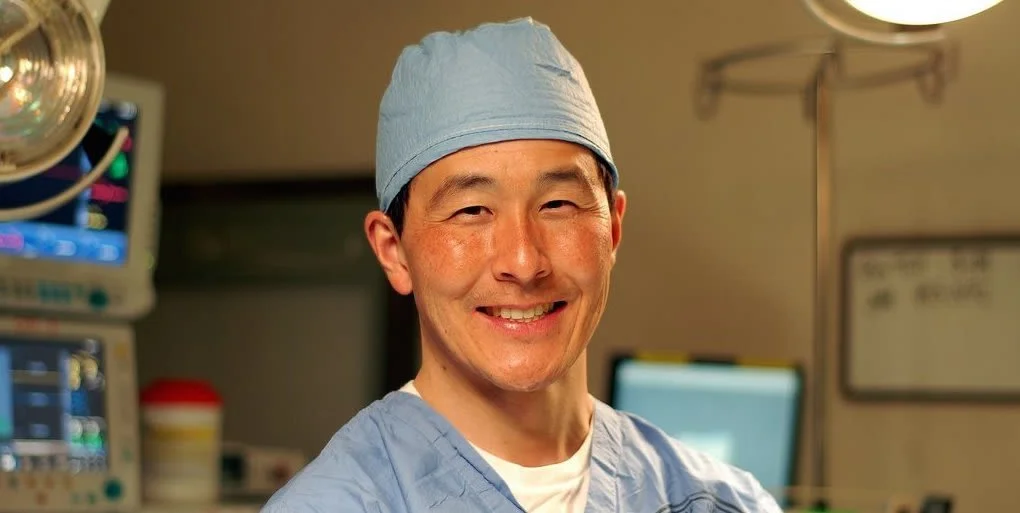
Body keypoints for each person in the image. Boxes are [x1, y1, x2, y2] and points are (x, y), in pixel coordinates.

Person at [262, 17, 783, 513]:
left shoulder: (717, 500)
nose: (523, 261)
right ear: (394, 251)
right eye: (471, 211)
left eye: (558, 204)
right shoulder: (341, 502)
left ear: (613, 228)